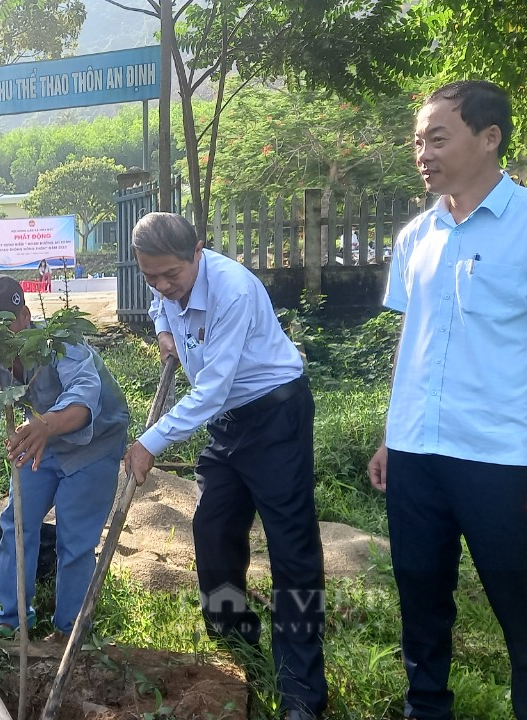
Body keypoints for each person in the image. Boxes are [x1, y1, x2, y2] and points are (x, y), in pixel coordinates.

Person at [367, 80, 527, 720]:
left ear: (488, 137)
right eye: (417, 140)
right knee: (420, 599)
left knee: (523, 608)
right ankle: (427, 708)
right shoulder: (417, 235)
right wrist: (392, 434)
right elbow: (410, 341)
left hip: (500, 458)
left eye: (437, 137)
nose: (423, 152)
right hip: (416, 454)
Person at [122, 212, 326, 720]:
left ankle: (302, 688)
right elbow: (158, 303)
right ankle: (234, 632)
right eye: (151, 277)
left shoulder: (233, 290)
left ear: (198, 252)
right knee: (212, 527)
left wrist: (150, 441)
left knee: (291, 547)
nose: (163, 286)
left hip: (273, 414)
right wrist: (165, 326)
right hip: (227, 423)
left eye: (172, 275)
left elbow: (212, 388)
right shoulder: (163, 284)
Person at [0, 275, 129, 637]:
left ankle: (70, 630)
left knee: (75, 538)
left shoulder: (60, 344)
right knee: (16, 525)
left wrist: (46, 425)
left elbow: (85, 396)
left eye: (4, 327)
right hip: (41, 442)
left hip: (94, 443)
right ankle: (13, 619)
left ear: (24, 316)